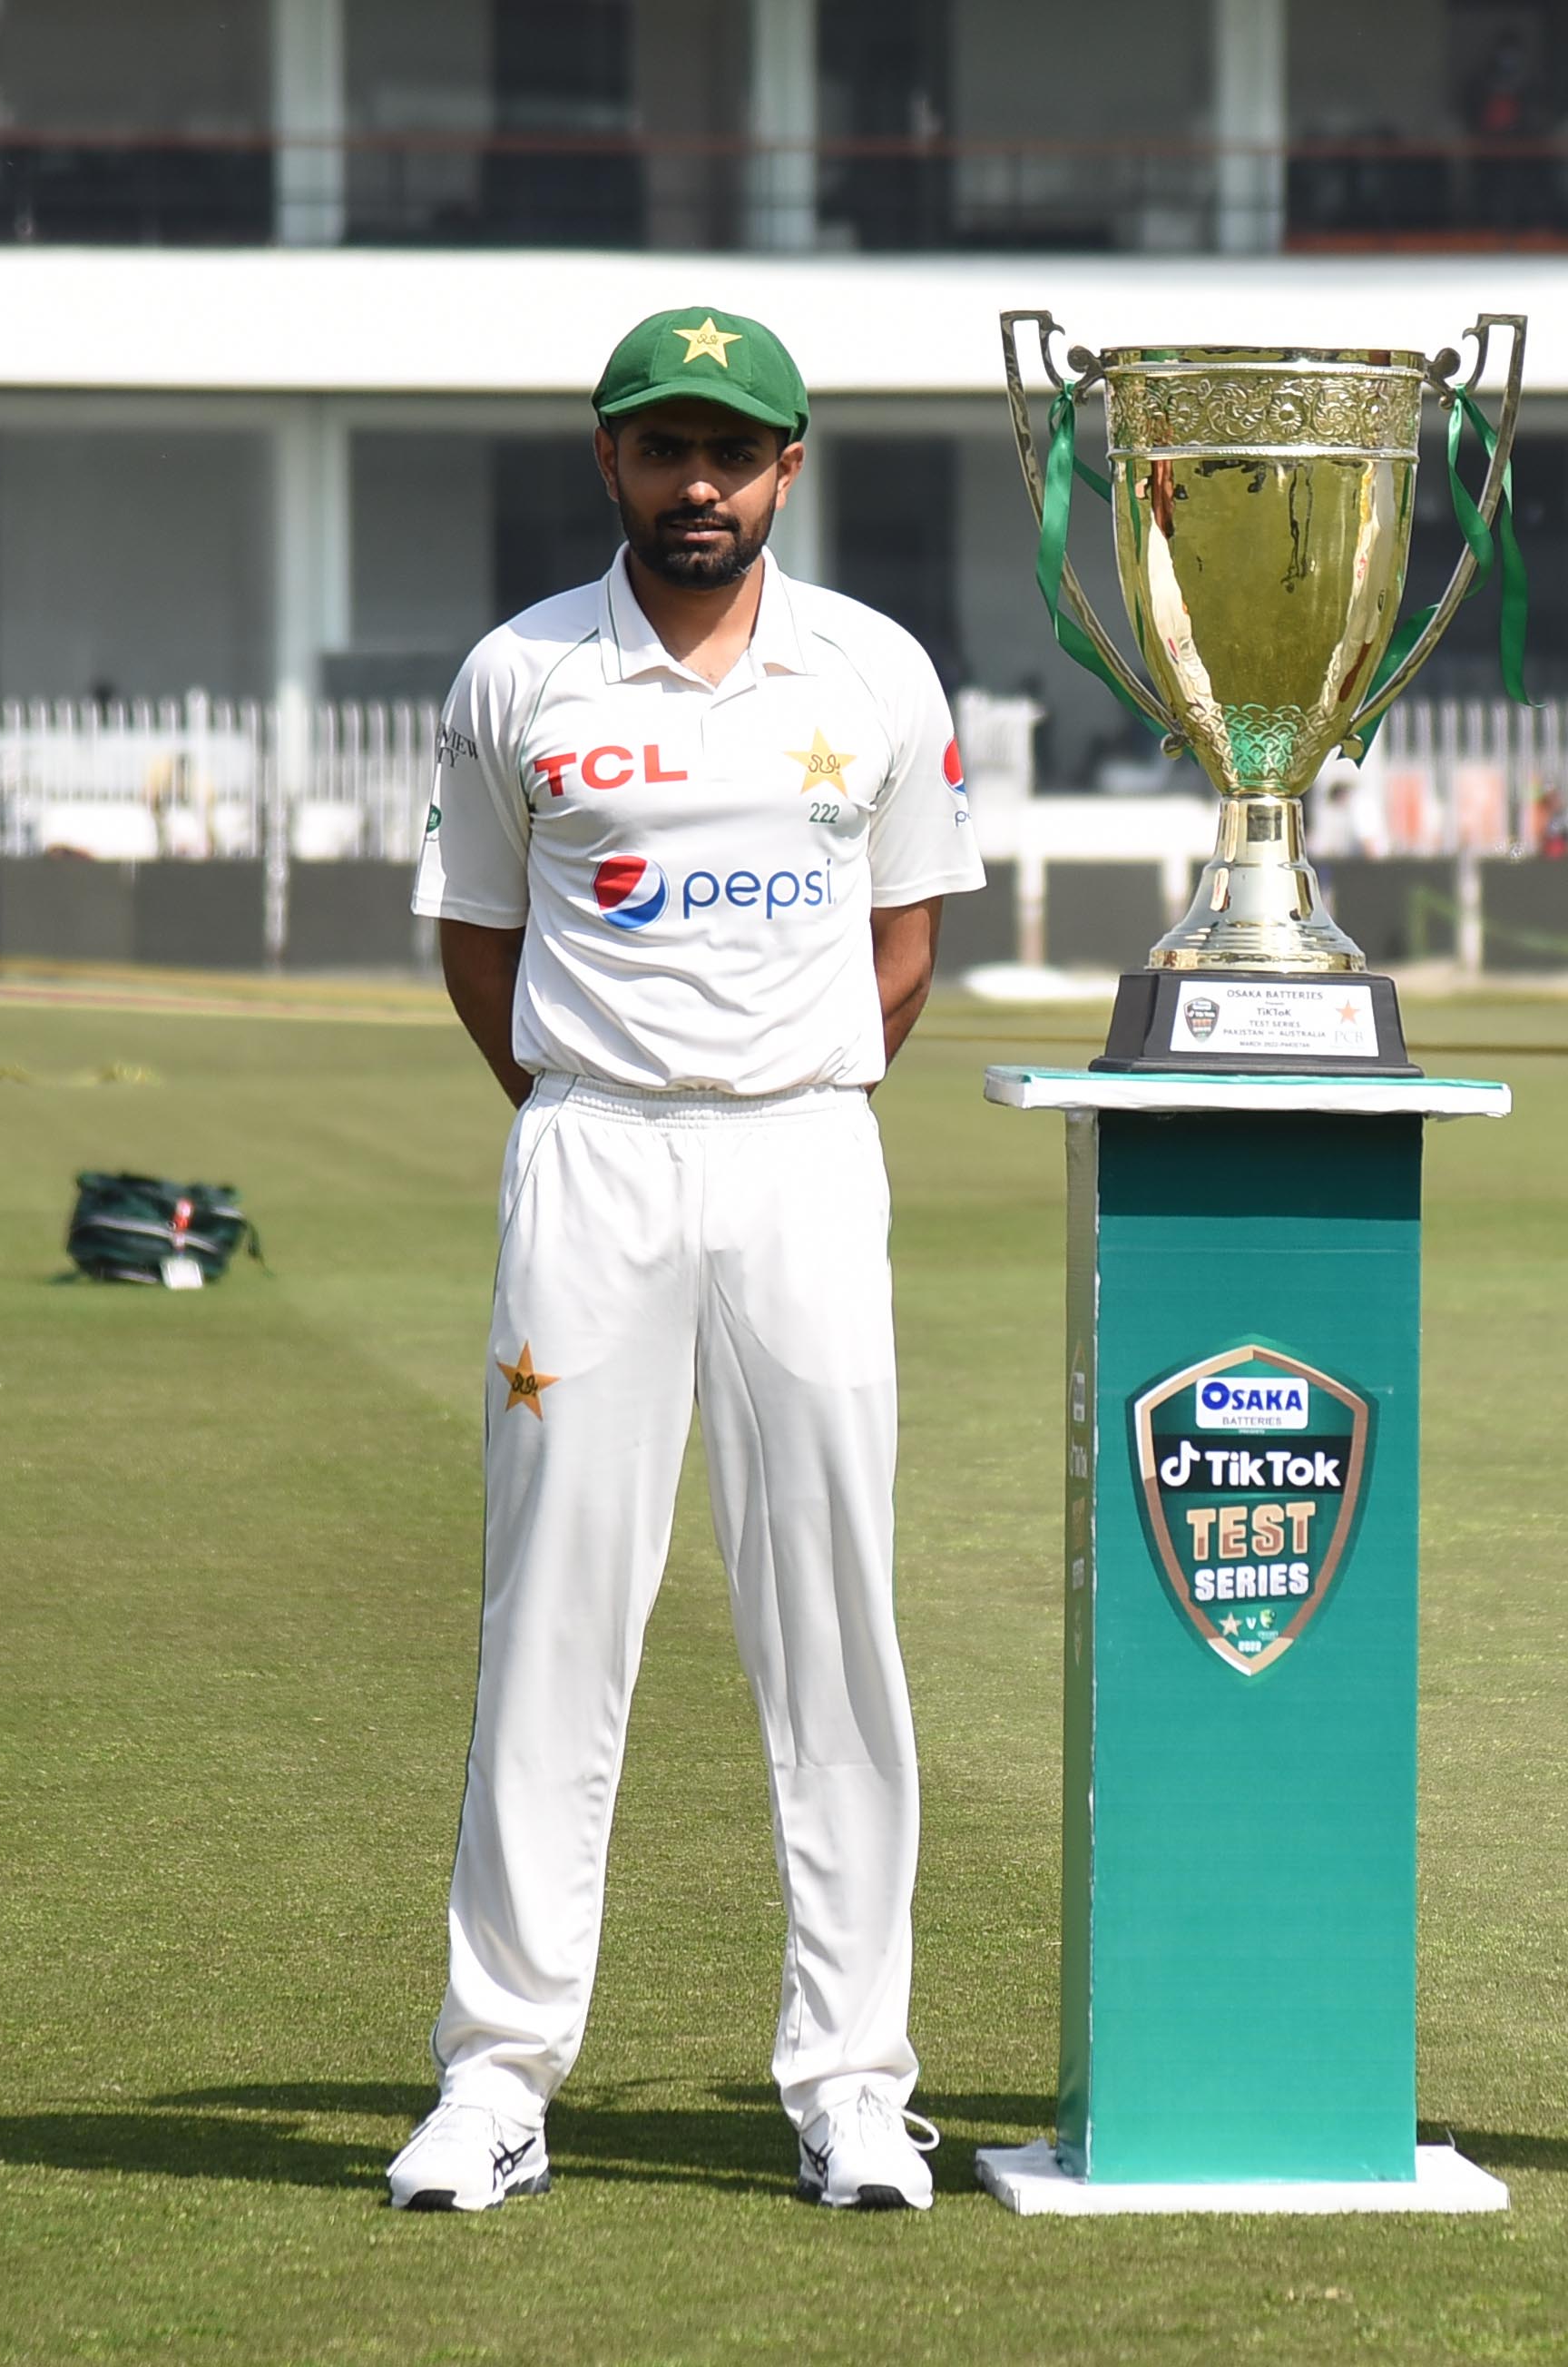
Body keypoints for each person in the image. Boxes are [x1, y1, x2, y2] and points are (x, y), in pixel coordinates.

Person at [387, 304, 982, 2214]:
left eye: (733, 450)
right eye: (665, 448)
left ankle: (853, 2078)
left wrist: (768, 1094)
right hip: (594, 1163)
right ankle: (495, 2072)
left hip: (806, 1152)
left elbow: (904, 947)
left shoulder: (874, 669)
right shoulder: (520, 673)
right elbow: (480, 939)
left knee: (835, 1621)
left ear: (789, 466)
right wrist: (597, 1102)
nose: (699, 482)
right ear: (609, 461)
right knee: (553, 1609)